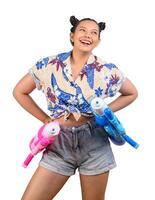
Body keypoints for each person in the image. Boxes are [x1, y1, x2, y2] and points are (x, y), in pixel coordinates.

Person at [13, 16, 138, 200]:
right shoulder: (48, 64)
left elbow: (132, 93)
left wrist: (105, 111)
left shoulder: (107, 70)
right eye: (83, 30)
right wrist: (45, 119)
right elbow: (19, 91)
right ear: (72, 35)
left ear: (98, 41)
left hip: (94, 142)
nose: (88, 35)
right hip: (59, 142)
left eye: (94, 32)